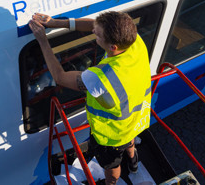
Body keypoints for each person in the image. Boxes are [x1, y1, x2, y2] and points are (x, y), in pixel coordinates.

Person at [28, 11, 151, 185]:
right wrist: (56, 23)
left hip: (112, 135)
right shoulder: (134, 41)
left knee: (111, 164)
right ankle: (134, 164)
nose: (94, 32)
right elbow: (94, 24)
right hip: (134, 118)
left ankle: (111, 182)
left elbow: (59, 76)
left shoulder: (99, 77)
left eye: (98, 35)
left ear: (113, 47)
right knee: (129, 141)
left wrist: (42, 40)